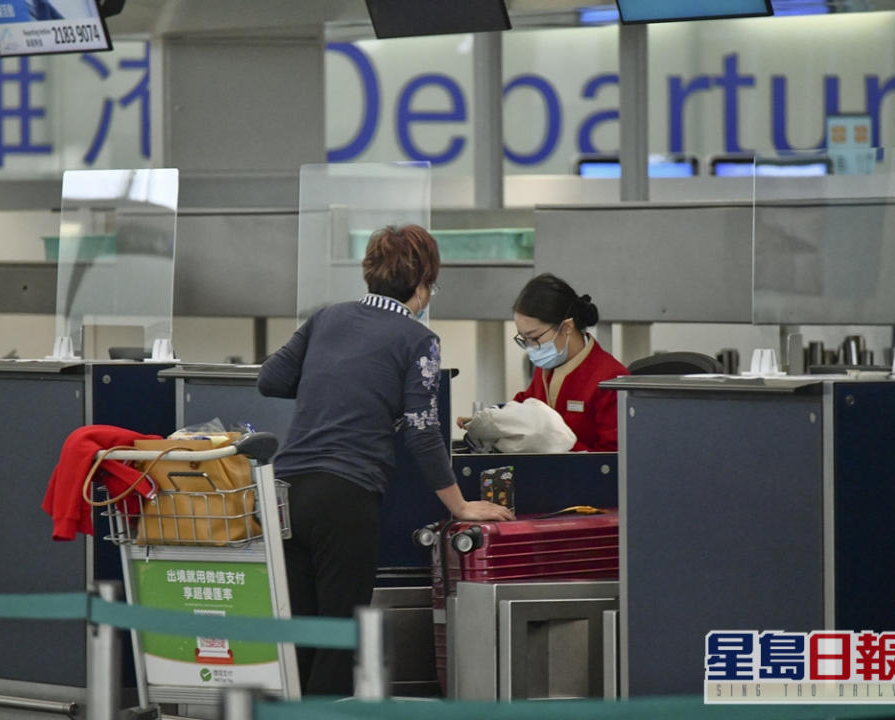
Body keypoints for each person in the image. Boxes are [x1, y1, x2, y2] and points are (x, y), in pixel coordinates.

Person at [257, 224, 513, 697]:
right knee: (338, 637)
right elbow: (422, 431)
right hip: (345, 496)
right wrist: (459, 506)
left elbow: (270, 379)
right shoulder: (419, 340)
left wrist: (335, 388)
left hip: (286, 492)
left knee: (299, 635)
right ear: (421, 286)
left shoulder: (325, 318)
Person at [458, 273, 629, 452]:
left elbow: (615, 460)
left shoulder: (610, 379)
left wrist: (561, 445)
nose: (531, 348)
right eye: (523, 339)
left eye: (534, 338)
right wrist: (493, 420)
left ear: (567, 327)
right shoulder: (547, 367)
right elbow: (526, 404)